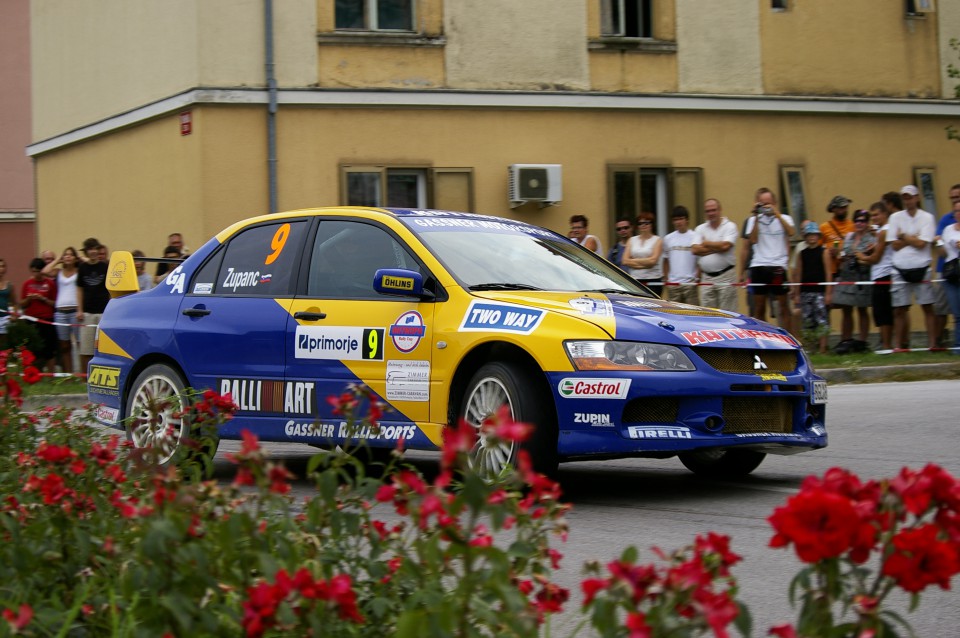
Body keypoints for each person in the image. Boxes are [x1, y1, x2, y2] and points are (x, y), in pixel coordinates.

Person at [888, 185, 937, 352]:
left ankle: (932, 343)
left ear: (917, 198)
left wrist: (903, 236)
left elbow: (923, 243)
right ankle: (898, 345)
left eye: (910, 197)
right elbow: (894, 246)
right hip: (899, 266)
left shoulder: (927, 217)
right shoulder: (895, 217)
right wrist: (912, 238)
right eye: (905, 198)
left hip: (922, 265)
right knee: (899, 309)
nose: (907, 201)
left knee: (927, 306)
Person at [744, 187, 795, 332]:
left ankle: (788, 339)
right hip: (759, 266)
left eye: (769, 203)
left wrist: (777, 214)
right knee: (759, 307)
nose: (766, 206)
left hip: (778, 266)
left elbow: (792, 232)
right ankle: (763, 338)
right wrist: (756, 217)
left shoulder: (785, 218)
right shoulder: (753, 220)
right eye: (762, 203)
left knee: (783, 306)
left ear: (775, 202)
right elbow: (752, 240)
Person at [831, 210, 876, 354]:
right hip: (847, 275)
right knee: (846, 309)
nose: (859, 223)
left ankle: (862, 342)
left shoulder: (871, 239)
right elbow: (841, 253)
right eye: (857, 220)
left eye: (863, 221)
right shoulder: (849, 236)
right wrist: (837, 250)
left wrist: (860, 256)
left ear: (867, 223)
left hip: (862, 276)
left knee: (862, 309)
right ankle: (846, 340)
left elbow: (873, 258)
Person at [857, 202, 895, 351]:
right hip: (880, 274)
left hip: (883, 274)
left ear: (885, 214)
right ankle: (885, 343)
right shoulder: (881, 231)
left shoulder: (885, 231)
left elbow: (876, 258)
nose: (873, 218)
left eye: (876, 215)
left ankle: (886, 345)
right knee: (880, 311)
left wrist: (861, 257)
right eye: (871, 215)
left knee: (883, 311)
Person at [692, 198, 739, 312]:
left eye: (714, 210)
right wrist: (718, 247)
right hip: (706, 277)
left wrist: (706, 243)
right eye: (708, 211)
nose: (711, 213)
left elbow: (725, 247)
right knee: (708, 315)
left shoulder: (730, 226)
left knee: (728, 313)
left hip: (726, 275)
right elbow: (694, 250)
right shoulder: (700, 228)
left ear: (720, 210)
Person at [791, 222, 831, 354]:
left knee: (822, 319)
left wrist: (828, 293)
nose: (812, 237)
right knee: (807, 320)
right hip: (805, 291)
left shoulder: (824, 252)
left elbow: (828, 273)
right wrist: (796, 293)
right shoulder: (802, 253)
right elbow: (798, 273)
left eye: (814, 234)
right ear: (805, 237)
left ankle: (823, 347)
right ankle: (810, 347)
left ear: (818, 236)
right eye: (809, 235)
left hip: (820, 291)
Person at [41, 247, 80, 373]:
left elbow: (88, 263)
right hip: (61, 313)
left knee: (80, 344)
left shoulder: (79, 271)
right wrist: (58, 259)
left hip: (75, 311)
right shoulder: (58, 272)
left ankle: (82, 374)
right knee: (64, 345)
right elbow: (45, 271)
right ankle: (69, 374)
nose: (68, 257)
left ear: (75, 257)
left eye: (71, 255)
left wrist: (79, 258)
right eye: (66, 255)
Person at [931, 184, 960, 348]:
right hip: (947, 270)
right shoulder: (946, 221)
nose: (955, 201)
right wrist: (938, 242)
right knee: (941, 308)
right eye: (953, 198)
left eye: (958, 197)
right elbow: (939, 243)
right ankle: (937, 343)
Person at [76, 237, 110, 372]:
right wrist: (79, 310)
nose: (93, 252)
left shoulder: (105, 267)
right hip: (87, 313)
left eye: (95, 248)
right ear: (86, 252)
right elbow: (79, 289)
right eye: (90, 249)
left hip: (103, 312)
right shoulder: (82, 268)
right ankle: (85, 378)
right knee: (86, 348)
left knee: (103, 347)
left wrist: (110, 309)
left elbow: (109, 289)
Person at [20, 257, 58, 372]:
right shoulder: (27, 284)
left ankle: (52, 376)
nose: (36, 274)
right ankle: (32, 375)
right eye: (34, 271)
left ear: (43, 270)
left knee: (49, 350)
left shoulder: (50, 283)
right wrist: (29, 299)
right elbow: (22, 304)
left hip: (46, 319)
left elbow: (55, 303)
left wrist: (43, 299)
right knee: (32, 349)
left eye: (38, 271)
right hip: (31, 320)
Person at [661, 206, 700, 305]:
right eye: (675, 219)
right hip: (673, 285)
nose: (678, 222)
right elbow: (665, 260)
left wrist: (697, 278)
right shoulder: (668, 238)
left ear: (687, 220)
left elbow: (700, 260)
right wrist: (667, 280)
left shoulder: (695, 236)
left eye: (681, 219)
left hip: (690, 283)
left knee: (692, 314)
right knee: (675, 314)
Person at [622, 212, 663, 295]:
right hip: (635, 279)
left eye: (646, 223)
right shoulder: (631, 240)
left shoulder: (657, 240)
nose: (643, 225)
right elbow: (625, 261)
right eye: (640, 223)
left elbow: (653, 261)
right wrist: (646, 263)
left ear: (652, 224)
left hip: (653, 280)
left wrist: (634, 261)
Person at [820, 195, 855, 270]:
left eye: (846, 207)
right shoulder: (824, 227)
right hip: (832, 270)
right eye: (841, 207)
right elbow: (818, 249)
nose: (845, 210)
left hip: (850, 268)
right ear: (833, 209)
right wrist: (829, 251)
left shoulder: (853, 225)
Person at [0, 258, 17, 349]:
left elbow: (14, 303)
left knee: (5, 345)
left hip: (5, 318)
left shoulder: (9, 285)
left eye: (3, 266)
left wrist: (14, 315)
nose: (1, 269)